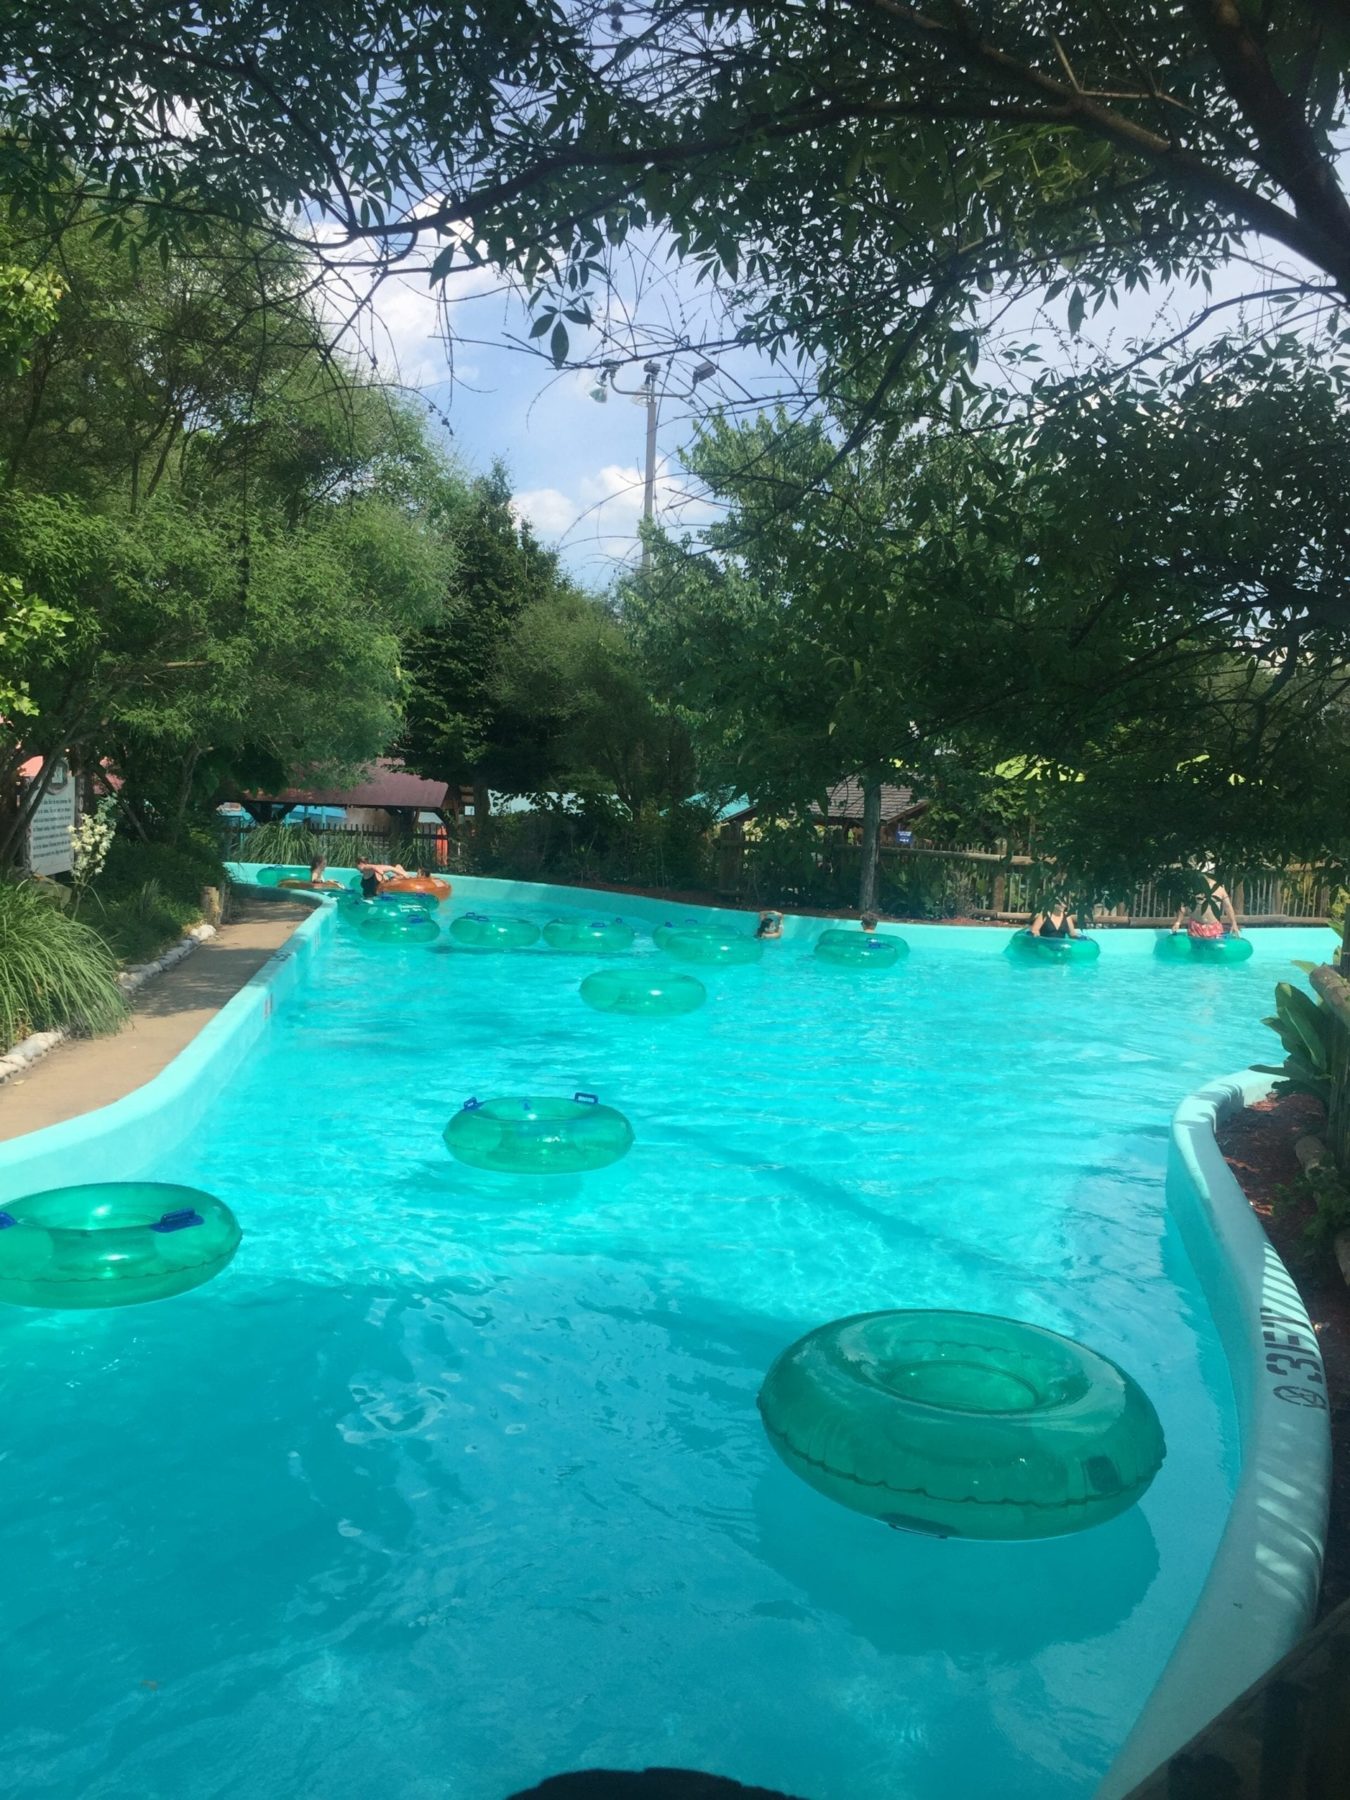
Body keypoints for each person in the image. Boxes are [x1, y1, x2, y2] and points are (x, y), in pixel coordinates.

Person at [1172, 878, 1241, 941]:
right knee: (1196, 951)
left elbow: (1228, 906)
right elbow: (1184, 905)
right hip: (1195, 927)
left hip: (1214, 927)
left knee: (1217, 951)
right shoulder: (1192, 887)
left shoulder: (1219, 887)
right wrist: (1178, 922)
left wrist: (1234, 924)